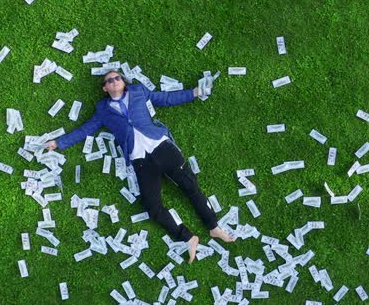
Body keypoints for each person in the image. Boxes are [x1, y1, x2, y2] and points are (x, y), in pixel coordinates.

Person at [46, 71, 234, 263]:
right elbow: (85, 129)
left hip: (161, 147)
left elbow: (166, 98)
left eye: (118, 77)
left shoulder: (138, 91)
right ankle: (187, 237)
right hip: (141, 160)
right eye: (109, 80)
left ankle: (213, 226)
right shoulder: (103, 109)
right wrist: (59, 143)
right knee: (153, 208)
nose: (115, 81)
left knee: (190, 186)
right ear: (105, 88)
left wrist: (195, 92)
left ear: (124, 82)